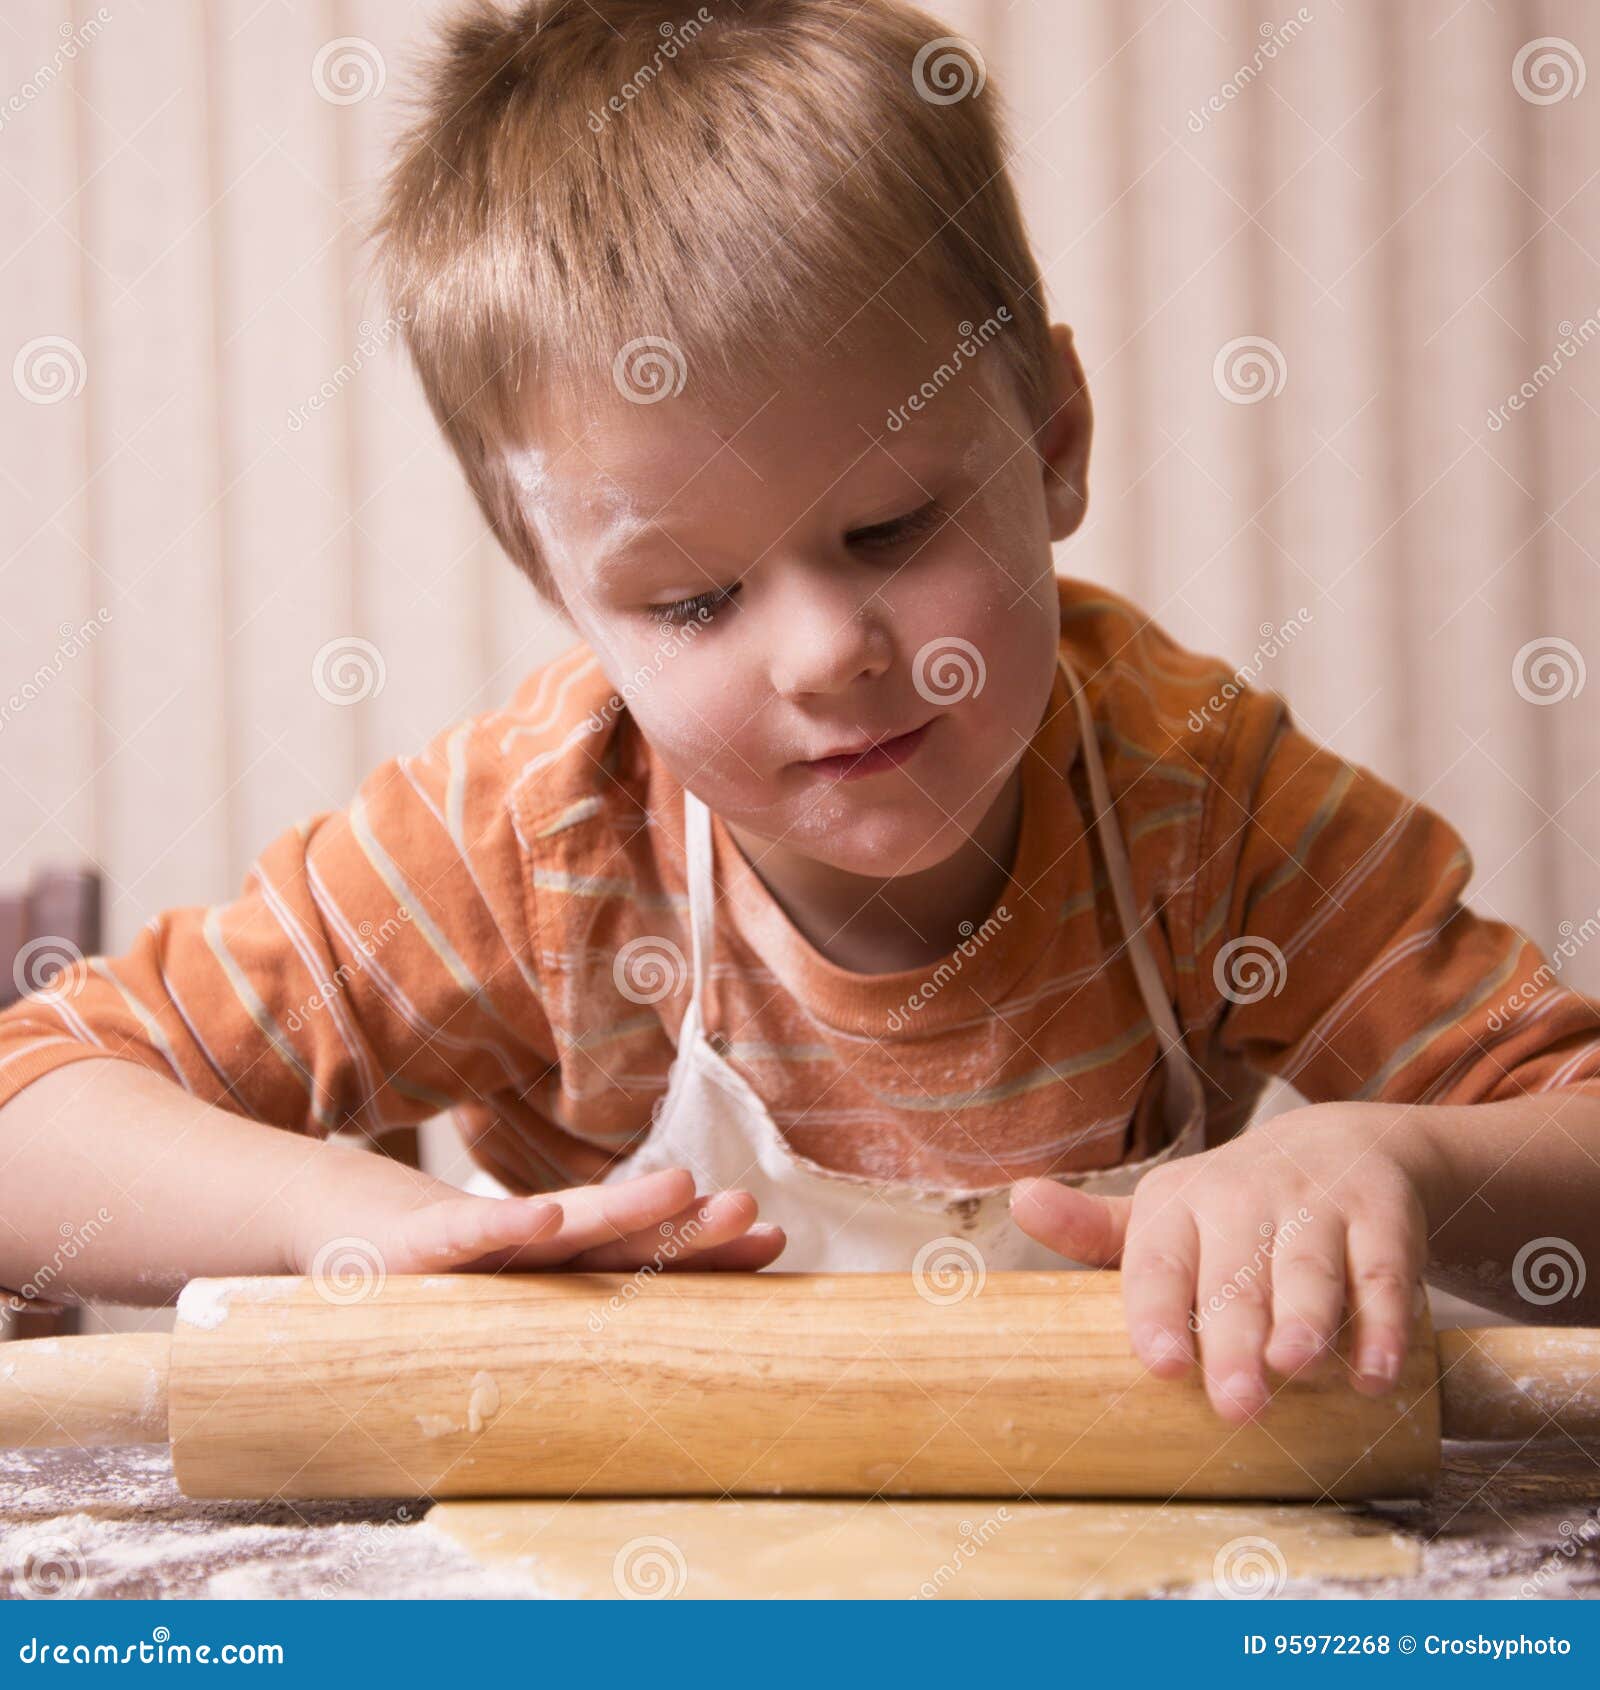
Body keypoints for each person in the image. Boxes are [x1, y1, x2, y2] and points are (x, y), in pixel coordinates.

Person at [3, 0, 1598, 1428]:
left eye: (892, 529)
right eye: (695, 602)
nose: (830, 651)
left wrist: (1405, 1158)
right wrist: (330, 1212)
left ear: (1052, 437)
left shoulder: (1200, 803)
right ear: (562, 591)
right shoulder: (527, 845)